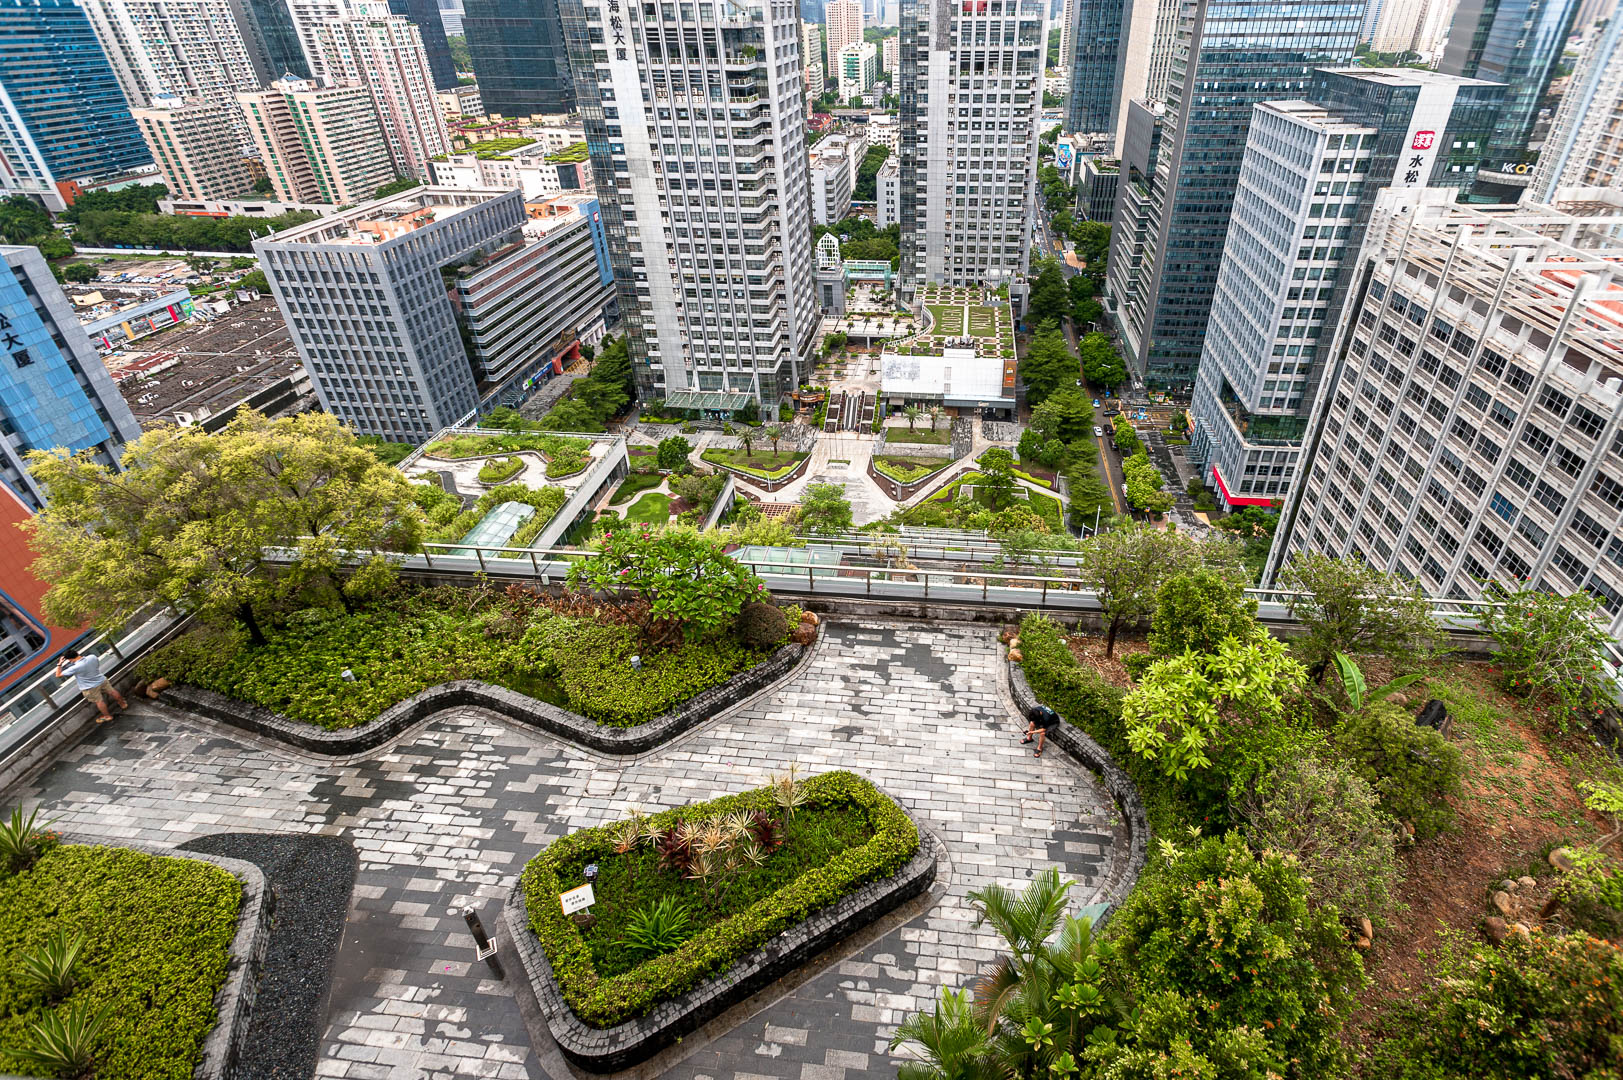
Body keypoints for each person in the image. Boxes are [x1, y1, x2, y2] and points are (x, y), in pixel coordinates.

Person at [55, 649, 126, 723]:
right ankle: (123, 704)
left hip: (89, 687)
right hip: (101, 679)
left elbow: (58, 674)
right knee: (112, 691)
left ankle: (108, 716)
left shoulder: (75, 668)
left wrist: (59, 664)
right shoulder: (92, 657)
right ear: (77, 653)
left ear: (70, 659)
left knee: (99, 701)